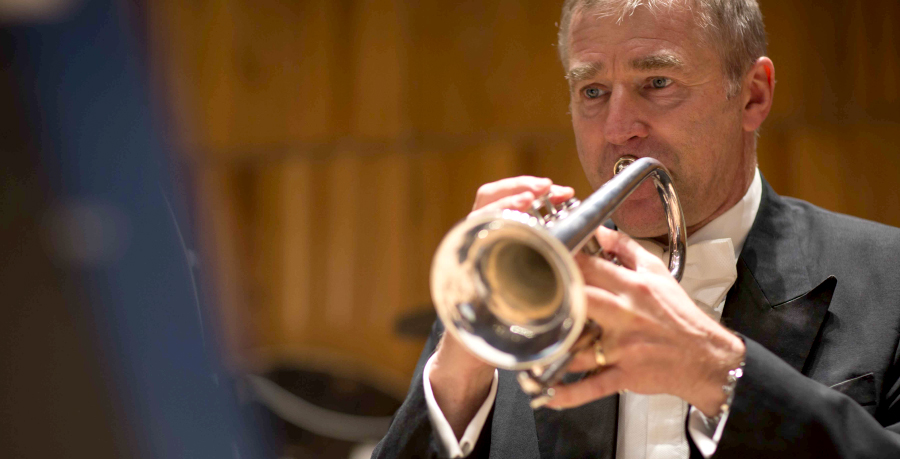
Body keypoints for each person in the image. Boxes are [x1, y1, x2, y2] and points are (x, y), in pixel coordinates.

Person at [373, 0, 900, 457]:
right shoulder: (514, 291)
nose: (619, 130)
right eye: (593, 91)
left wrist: (718, 372)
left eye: (658, 82)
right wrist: (458, 378)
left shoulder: (889, 279)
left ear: (753, 96)